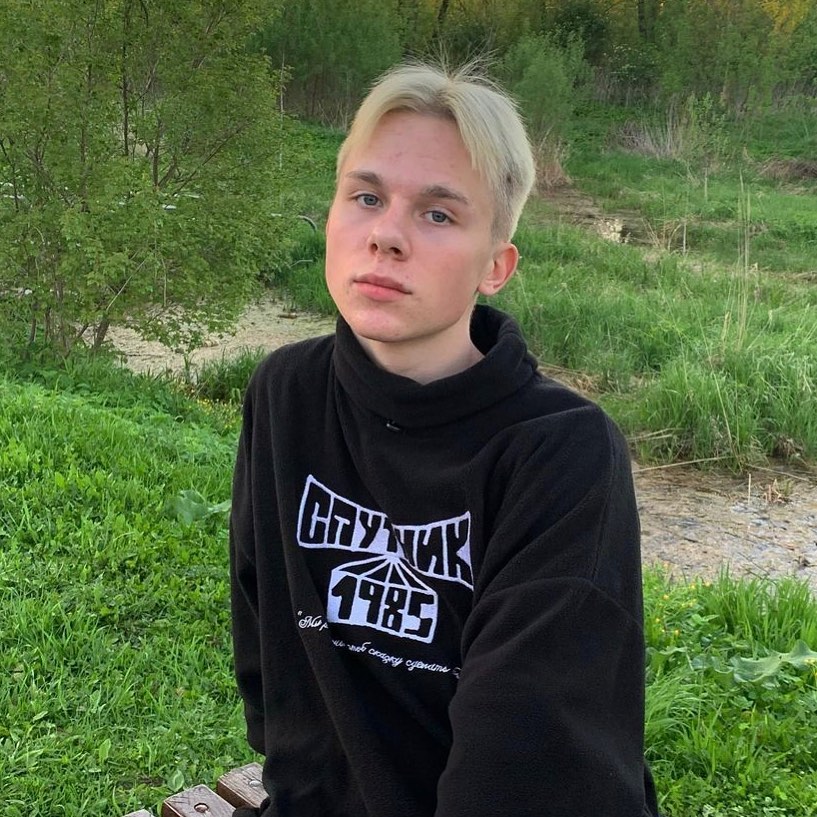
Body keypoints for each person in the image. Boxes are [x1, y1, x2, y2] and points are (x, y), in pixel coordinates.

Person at [229, 60, 660, 817]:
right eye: (366, 197)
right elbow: (267, 643)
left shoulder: (562, 452)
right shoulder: (286, 392)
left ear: (496, 265)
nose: (385, 236)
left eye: (437, 214)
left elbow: (526, 758)